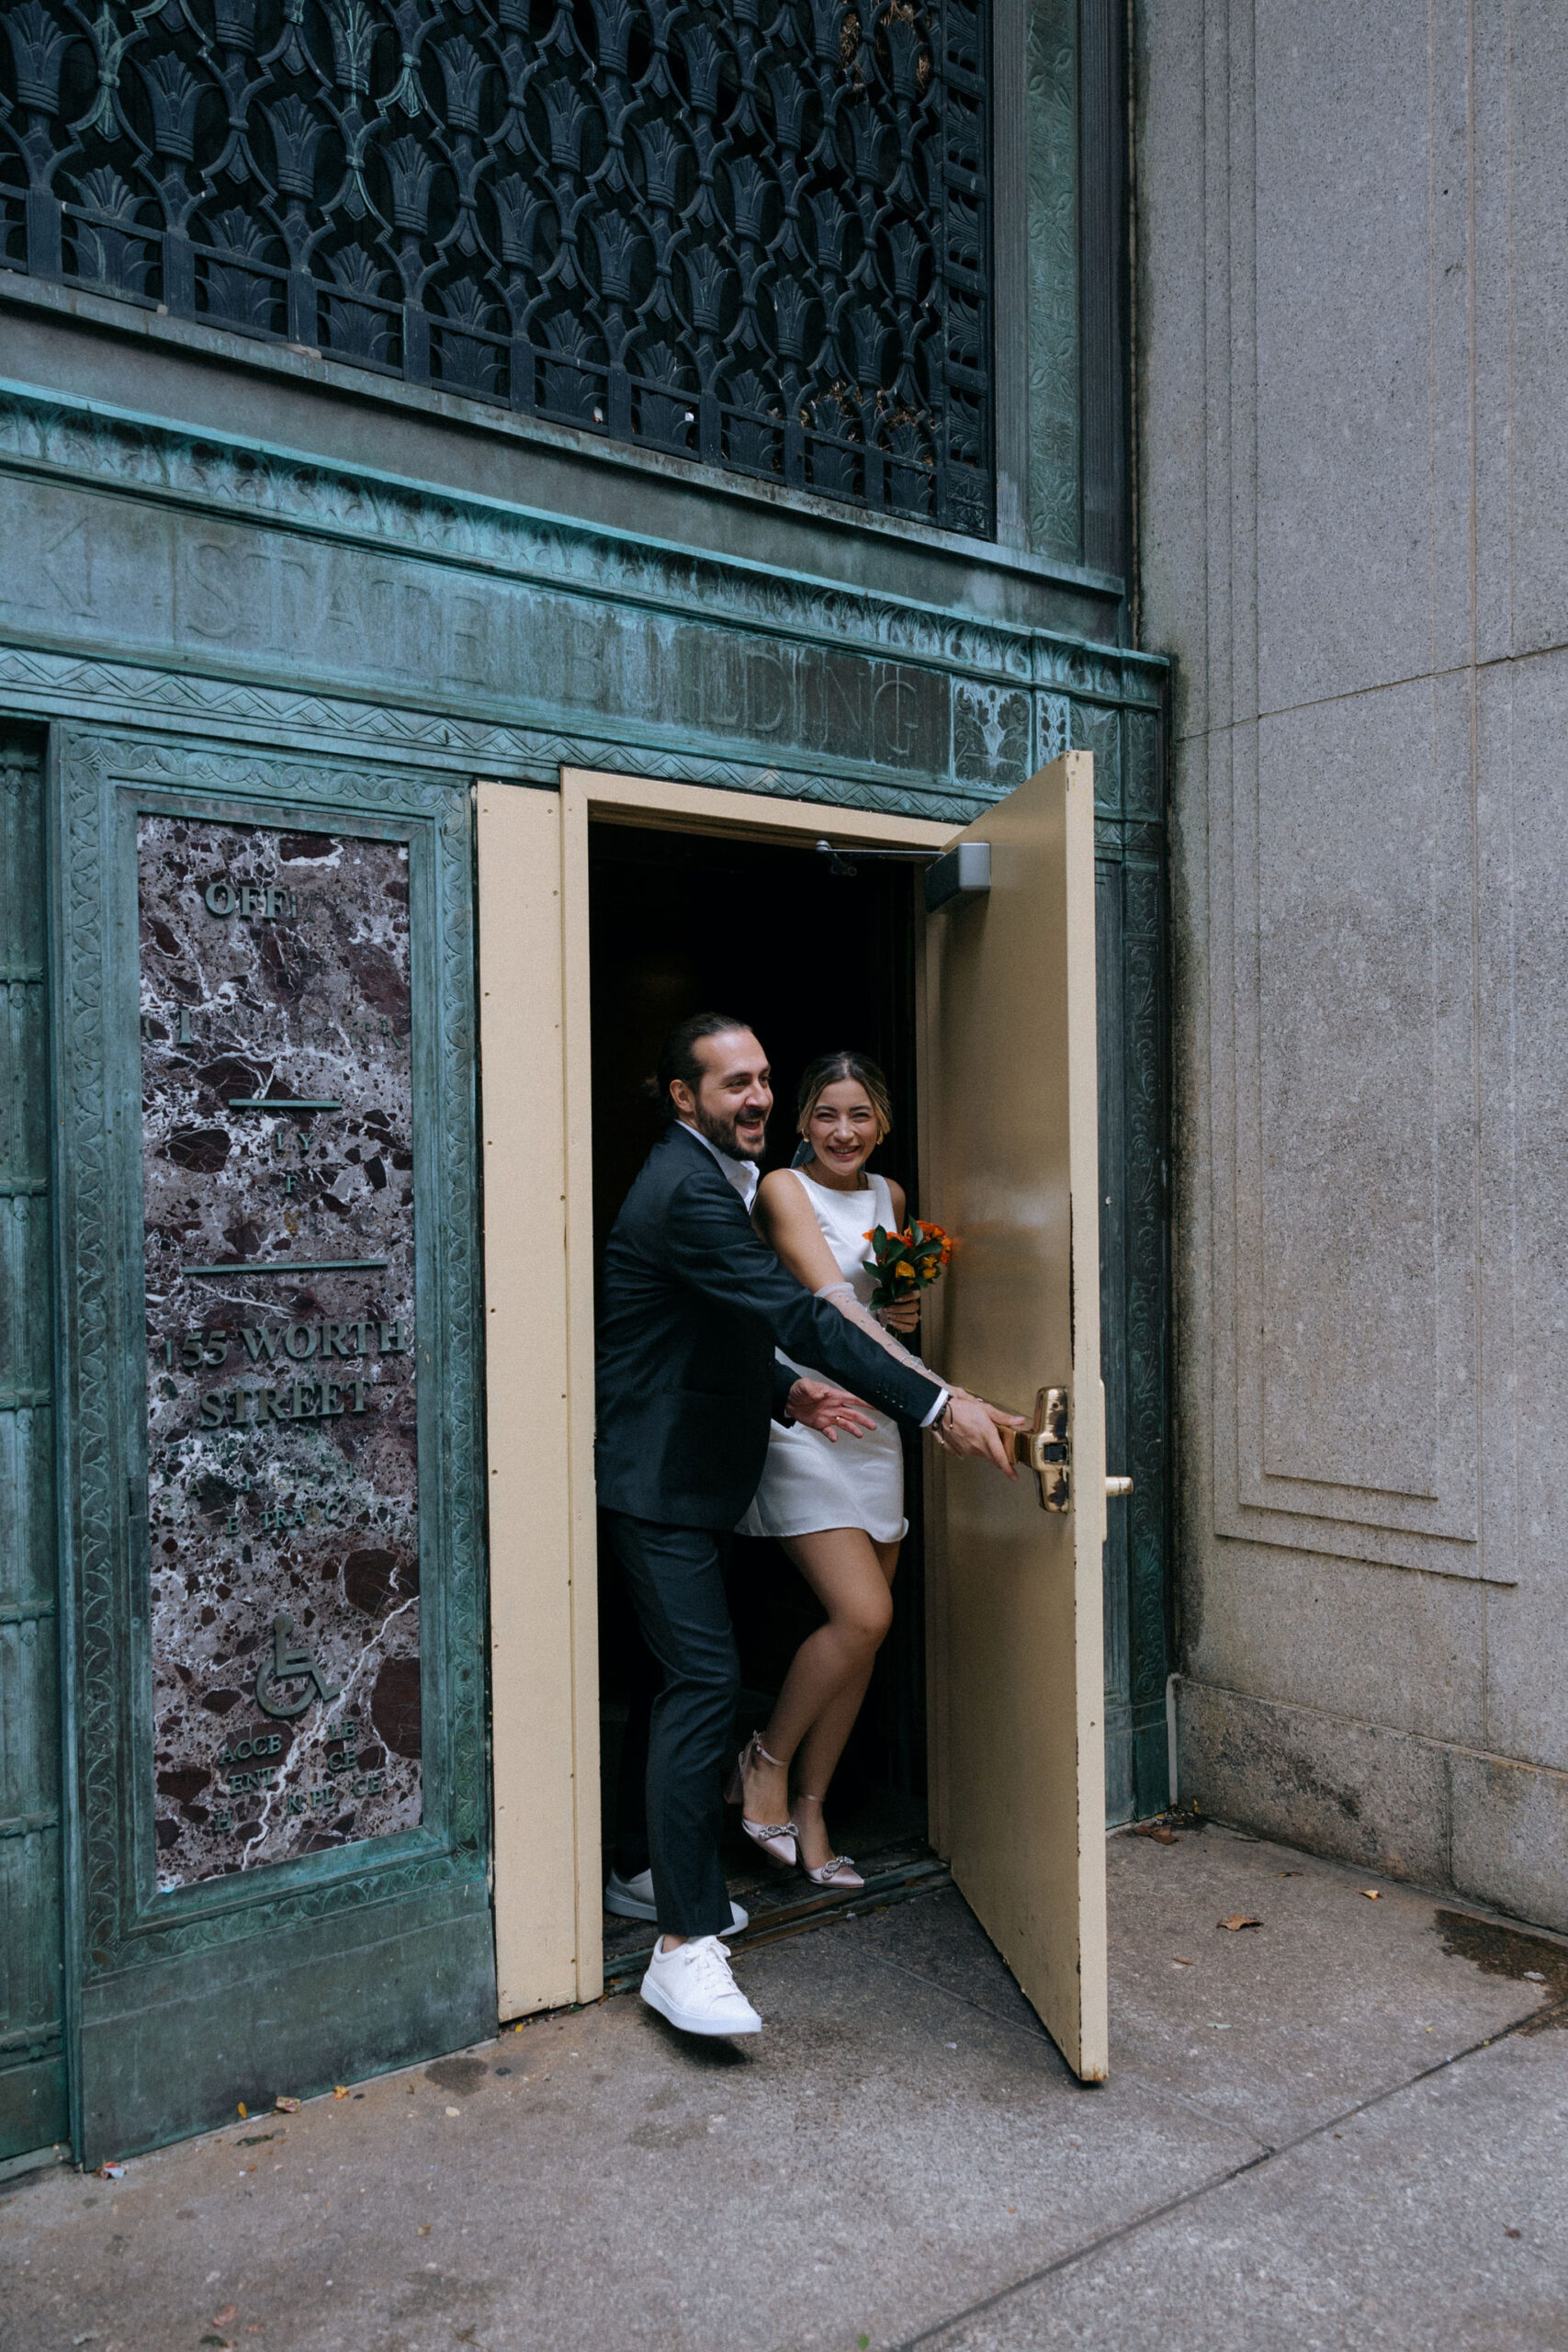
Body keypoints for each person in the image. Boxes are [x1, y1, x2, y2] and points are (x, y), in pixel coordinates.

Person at [595, 1012, 1022, 2039]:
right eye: (730, 1083)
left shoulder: (719, 1177)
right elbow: (798, 1311)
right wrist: (938, 1403)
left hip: (700, 1462)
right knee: (702, 1679)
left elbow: (721, 1325)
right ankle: (684, 1947)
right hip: (658, 1476)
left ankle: (644, 1870)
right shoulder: (688, 1188)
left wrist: (787, 1397)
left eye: (759, 1079)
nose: (753, 1098)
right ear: (680, 1097)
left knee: (673, 1679)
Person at [737, 1050, 950, 1888]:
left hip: (875, 1424)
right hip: (805, 1416)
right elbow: (829, 1304)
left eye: (859, 1115)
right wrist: (943, 1398)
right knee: (859, 1614)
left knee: (868, 1636)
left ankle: (814, 1810)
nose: (842, 1131)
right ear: (801, 1122)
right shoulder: (782, 1191)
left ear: (882, 1123)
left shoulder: (890, 1197)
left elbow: (880, 1315)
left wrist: (907, 1313)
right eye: (826, 1114)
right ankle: (764, 1761)